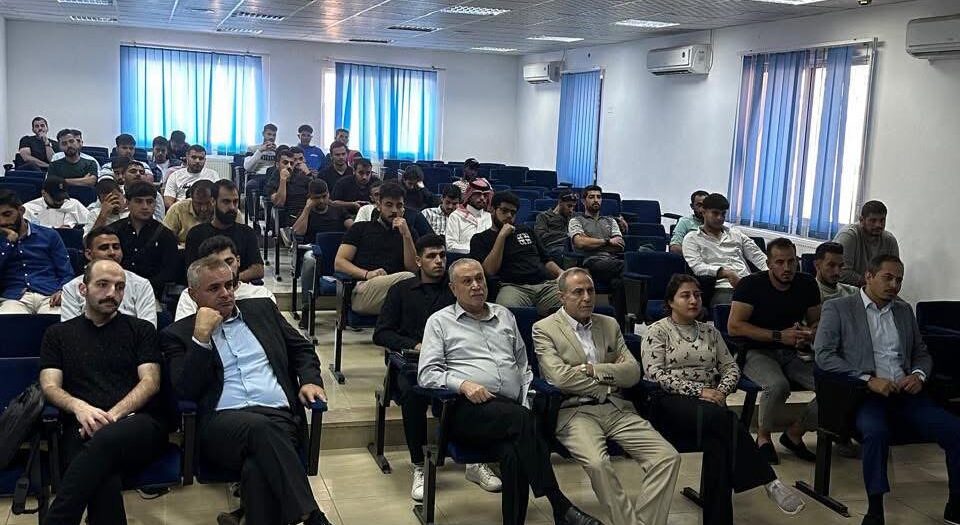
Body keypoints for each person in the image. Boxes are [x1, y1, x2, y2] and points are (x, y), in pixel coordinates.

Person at [418, 258, 603, 525]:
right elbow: (426, 374)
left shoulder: (504, 315)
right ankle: (559, 504)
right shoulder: (439, 322)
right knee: (524, 422)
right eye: (467, 281)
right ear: (452, 288)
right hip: (464, 409)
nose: (476, 285)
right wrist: (463, 384)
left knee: (513, 452)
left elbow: (523, 367)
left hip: (511, 412)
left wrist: (525, 399)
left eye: (479, 278)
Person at [161, 256, 334, 525]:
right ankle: (312, 516)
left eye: (229, 285)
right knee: (260, 429)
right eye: (214, 288)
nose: (226, 293)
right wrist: (201, 339)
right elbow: (186, 391)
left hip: (279, 416)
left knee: (257, 468)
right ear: (193, 294)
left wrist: (311, 380)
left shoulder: (262, 309)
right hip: (221, 425)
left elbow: (301, 349)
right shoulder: (179, 334)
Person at [641, 274, 806, 525]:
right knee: (725, 419)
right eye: (685, 296)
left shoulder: (710, 331)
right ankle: (769, 481)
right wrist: (700, 391)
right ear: (670, 302)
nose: (693, 300)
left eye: (697, 295)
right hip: (669, 402)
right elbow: (655, 374)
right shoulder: (657, 331)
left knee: (719, 443)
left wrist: (721, 391)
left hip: (710, 407)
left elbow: (731, 367)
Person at [814, 254, 960, 525]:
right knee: (876, 432)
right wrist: (867, 379)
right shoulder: (839, 308)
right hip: (865, 394)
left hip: (905, 393)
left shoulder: (903, 311)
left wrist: (918, 375)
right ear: (868, 276)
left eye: (899, 280)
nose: (894, 285)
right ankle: (875, 508)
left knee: (955, 429)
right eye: (888, 278)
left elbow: (921, 352)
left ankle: (956, 504)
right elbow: (824, 356)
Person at [535, 268, 682, 525]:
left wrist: (593, 370)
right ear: (562, 297)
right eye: (578, 292)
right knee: (598, 464)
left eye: (590, 291)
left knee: (667, 457)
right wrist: (605, 384)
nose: (586, 298)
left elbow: (633, 372)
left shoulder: (609, 323)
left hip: (616, 408)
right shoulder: (544, 328)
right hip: (574, 412)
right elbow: (559, 378)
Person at [39, 259, 171, 525]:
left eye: (120, 287)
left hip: (138, 424)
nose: (112, 293)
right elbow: (50, 385)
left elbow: (150, 382)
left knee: (98, 447)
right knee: (102, 475)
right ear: (83, 289)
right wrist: (80, 408)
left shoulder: (141, 330)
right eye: (103, 284)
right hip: (81, 427)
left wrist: (109, 418)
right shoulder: (58, 334)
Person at [372, 235, 502, 501]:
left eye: (442, 255)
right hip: (411, 362)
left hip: (455, 360)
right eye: (431, 256)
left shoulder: (456, 288)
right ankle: (419, 464)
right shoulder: (401, 290)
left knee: (474, 388)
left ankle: (474, 461)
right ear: (418, 261)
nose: (439, 261)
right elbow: (381, 333)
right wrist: (416, 345)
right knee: (413, 394)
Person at [727, 237, 820, 464]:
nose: (786, 268)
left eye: (791, 262)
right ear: (768, 264)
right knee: (778, 385)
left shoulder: (807, 284)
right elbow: (734, 326)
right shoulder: (751, 285)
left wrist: (808, 333)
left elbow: (816, 322)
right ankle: (763, 438)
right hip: (755, 351)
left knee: (832, 386)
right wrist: (779, 335)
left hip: (792, 352)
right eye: (779, 262)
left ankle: (794, 434)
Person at [471, 191, 562, 316]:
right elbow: (490, 271)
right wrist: (501, 236)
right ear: (492, 209)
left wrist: (561, 273)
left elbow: (546, 259)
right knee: (505, 312)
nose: (509, 216)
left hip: (545, 285)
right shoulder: (480, 239)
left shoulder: (526, 230)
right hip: (513, 287)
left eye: (513, 213)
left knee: (574, 301)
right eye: (504, 211)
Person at [334, 182, 417, 315]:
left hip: (398, 288)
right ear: (378, 205)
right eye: (389, 205)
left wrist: (406, 235)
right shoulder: (360, 228)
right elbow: (339, 263)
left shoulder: (408, 232)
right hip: (365, 290)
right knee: (409, 280)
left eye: (399, 205)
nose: (394, 210)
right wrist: (367, 274)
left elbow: (413, 267)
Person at [681, 193, 767, 307]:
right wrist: (725, 273)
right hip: (722, 288)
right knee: (741, 308)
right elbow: (698, 267)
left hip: (747, 285)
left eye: (723, 214)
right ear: (703, 211)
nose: (720, 218)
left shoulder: (736, 234)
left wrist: (772, 272)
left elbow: (757, 256)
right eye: (715, 213)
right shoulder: (692, 238)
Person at [60, 226, 157, 326]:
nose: (112, 253)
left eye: (116, 247)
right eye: (104, 248)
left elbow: (148, 329)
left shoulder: (141, 284)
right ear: (88, 254)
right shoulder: (71, 287)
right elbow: (68, 330)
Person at [0, 189, 73, 314]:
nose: (2, 222)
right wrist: (8, 243)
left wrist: (62, 290)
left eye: (7, 214)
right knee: (8, 320)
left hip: (49, 294)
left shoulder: (49, 235)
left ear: (21, 211)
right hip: (14, 297)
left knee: (61, 320)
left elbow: (66, 272)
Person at [293, 180, 354, 319]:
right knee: (309, 260)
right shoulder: (305, 212)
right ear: (310, 197)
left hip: (338, 252)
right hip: (314, 253)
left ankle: (351, 309)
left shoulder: (338, 210)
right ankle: (307, 308)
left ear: (328, 194)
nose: (321, 201)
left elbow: (353, 228)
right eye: (316, 198)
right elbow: (298, 233)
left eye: (324, 196)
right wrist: (307, 209)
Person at [175, 236, 275, 321]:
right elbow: (183, 333)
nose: (225, 269)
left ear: (238, 261)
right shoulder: (191, 295)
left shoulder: (261, 294)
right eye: (217, 265)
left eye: (229, 262)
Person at [568, 185, 628, 325]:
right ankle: (640, 314)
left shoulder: (610, 221)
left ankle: (619, 325)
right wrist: (607, 241)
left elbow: (620, 245)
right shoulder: (576, 221)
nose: (596, 200)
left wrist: (591, 242)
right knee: (628, 267)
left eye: (599, 197)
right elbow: (580, 243)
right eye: (591, 197)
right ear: (583, 201)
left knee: (619, 283)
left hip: (611, 262)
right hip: (590, 262)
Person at [109, 181, 180, 298]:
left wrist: (143, 288)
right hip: (116, 290)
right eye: (138, 201)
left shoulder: (165, 235)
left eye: (150, 202)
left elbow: (170, 271)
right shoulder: (114, 230)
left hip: (152, 294)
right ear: (128, 203)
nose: (145, 207)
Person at [185, 180, 264, 283]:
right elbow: (192, 272)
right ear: (213, 201)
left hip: (240, 286)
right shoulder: (196, 234)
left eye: (235, 202)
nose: (232, 207)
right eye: (226, 202)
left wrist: (231, 281)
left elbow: (258, 269)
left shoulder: (247, 232)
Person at [833, 200, 899, 287]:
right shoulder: (848, 236)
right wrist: (872, 284)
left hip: (877, 290)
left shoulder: (890, 240)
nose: (878, 225)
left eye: (882, 220)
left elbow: (895, 272)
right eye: (873, 220)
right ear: (861, 220)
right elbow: (841, 273)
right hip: (846, 290)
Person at [108, 156, 166, 222]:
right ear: (123, 175)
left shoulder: (155, 194)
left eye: (142, 173)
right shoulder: (114, 192)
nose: (138, 174)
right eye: (133, 171)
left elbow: (160, 221)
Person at [266, 147, 312, 226]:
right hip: (289, 216)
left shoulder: (302, 176)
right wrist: (283, 180)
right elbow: (279, 203)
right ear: (277, 165)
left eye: (291, 163)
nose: (289, 166)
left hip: (307, 212)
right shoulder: (274, 178)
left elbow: (316, 193)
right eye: (285, 163)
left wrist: (308, 174)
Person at [444, 178, 493, 254]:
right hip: (463, 258)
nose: (482, 198)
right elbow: (450, 245)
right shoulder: (456, 216)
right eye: (478, 194)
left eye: (485, 195)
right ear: (469, 195)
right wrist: (475, 250)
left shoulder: (490, 217)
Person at [23, 177, 90, 229]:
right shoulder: (28, 208)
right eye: (56, 198)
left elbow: (91, 222)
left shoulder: (73, 204)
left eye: (63, 197)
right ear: (44, 193)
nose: (60, 201)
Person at [163, 179, 215, 244]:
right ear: (191, 198)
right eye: (198, 204)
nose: (203, 209)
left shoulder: (221, 208)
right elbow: (166, 238)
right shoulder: (177, 209)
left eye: (208, 203)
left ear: (215, 199)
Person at [534, 190, 577, 264]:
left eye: (573, 207)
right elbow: (541, 236)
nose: (571, 210)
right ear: (560, 202)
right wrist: (566, 235)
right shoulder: (543, 216)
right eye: (569, 206)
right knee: (561, 254)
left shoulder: (573, 216)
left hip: (572, 247)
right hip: (554, 247)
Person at [669, 190, 709, 254]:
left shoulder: (716, 223)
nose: (702, 209)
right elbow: (674, 248)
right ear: (692, 206)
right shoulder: (685, 221)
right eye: (699, 205)